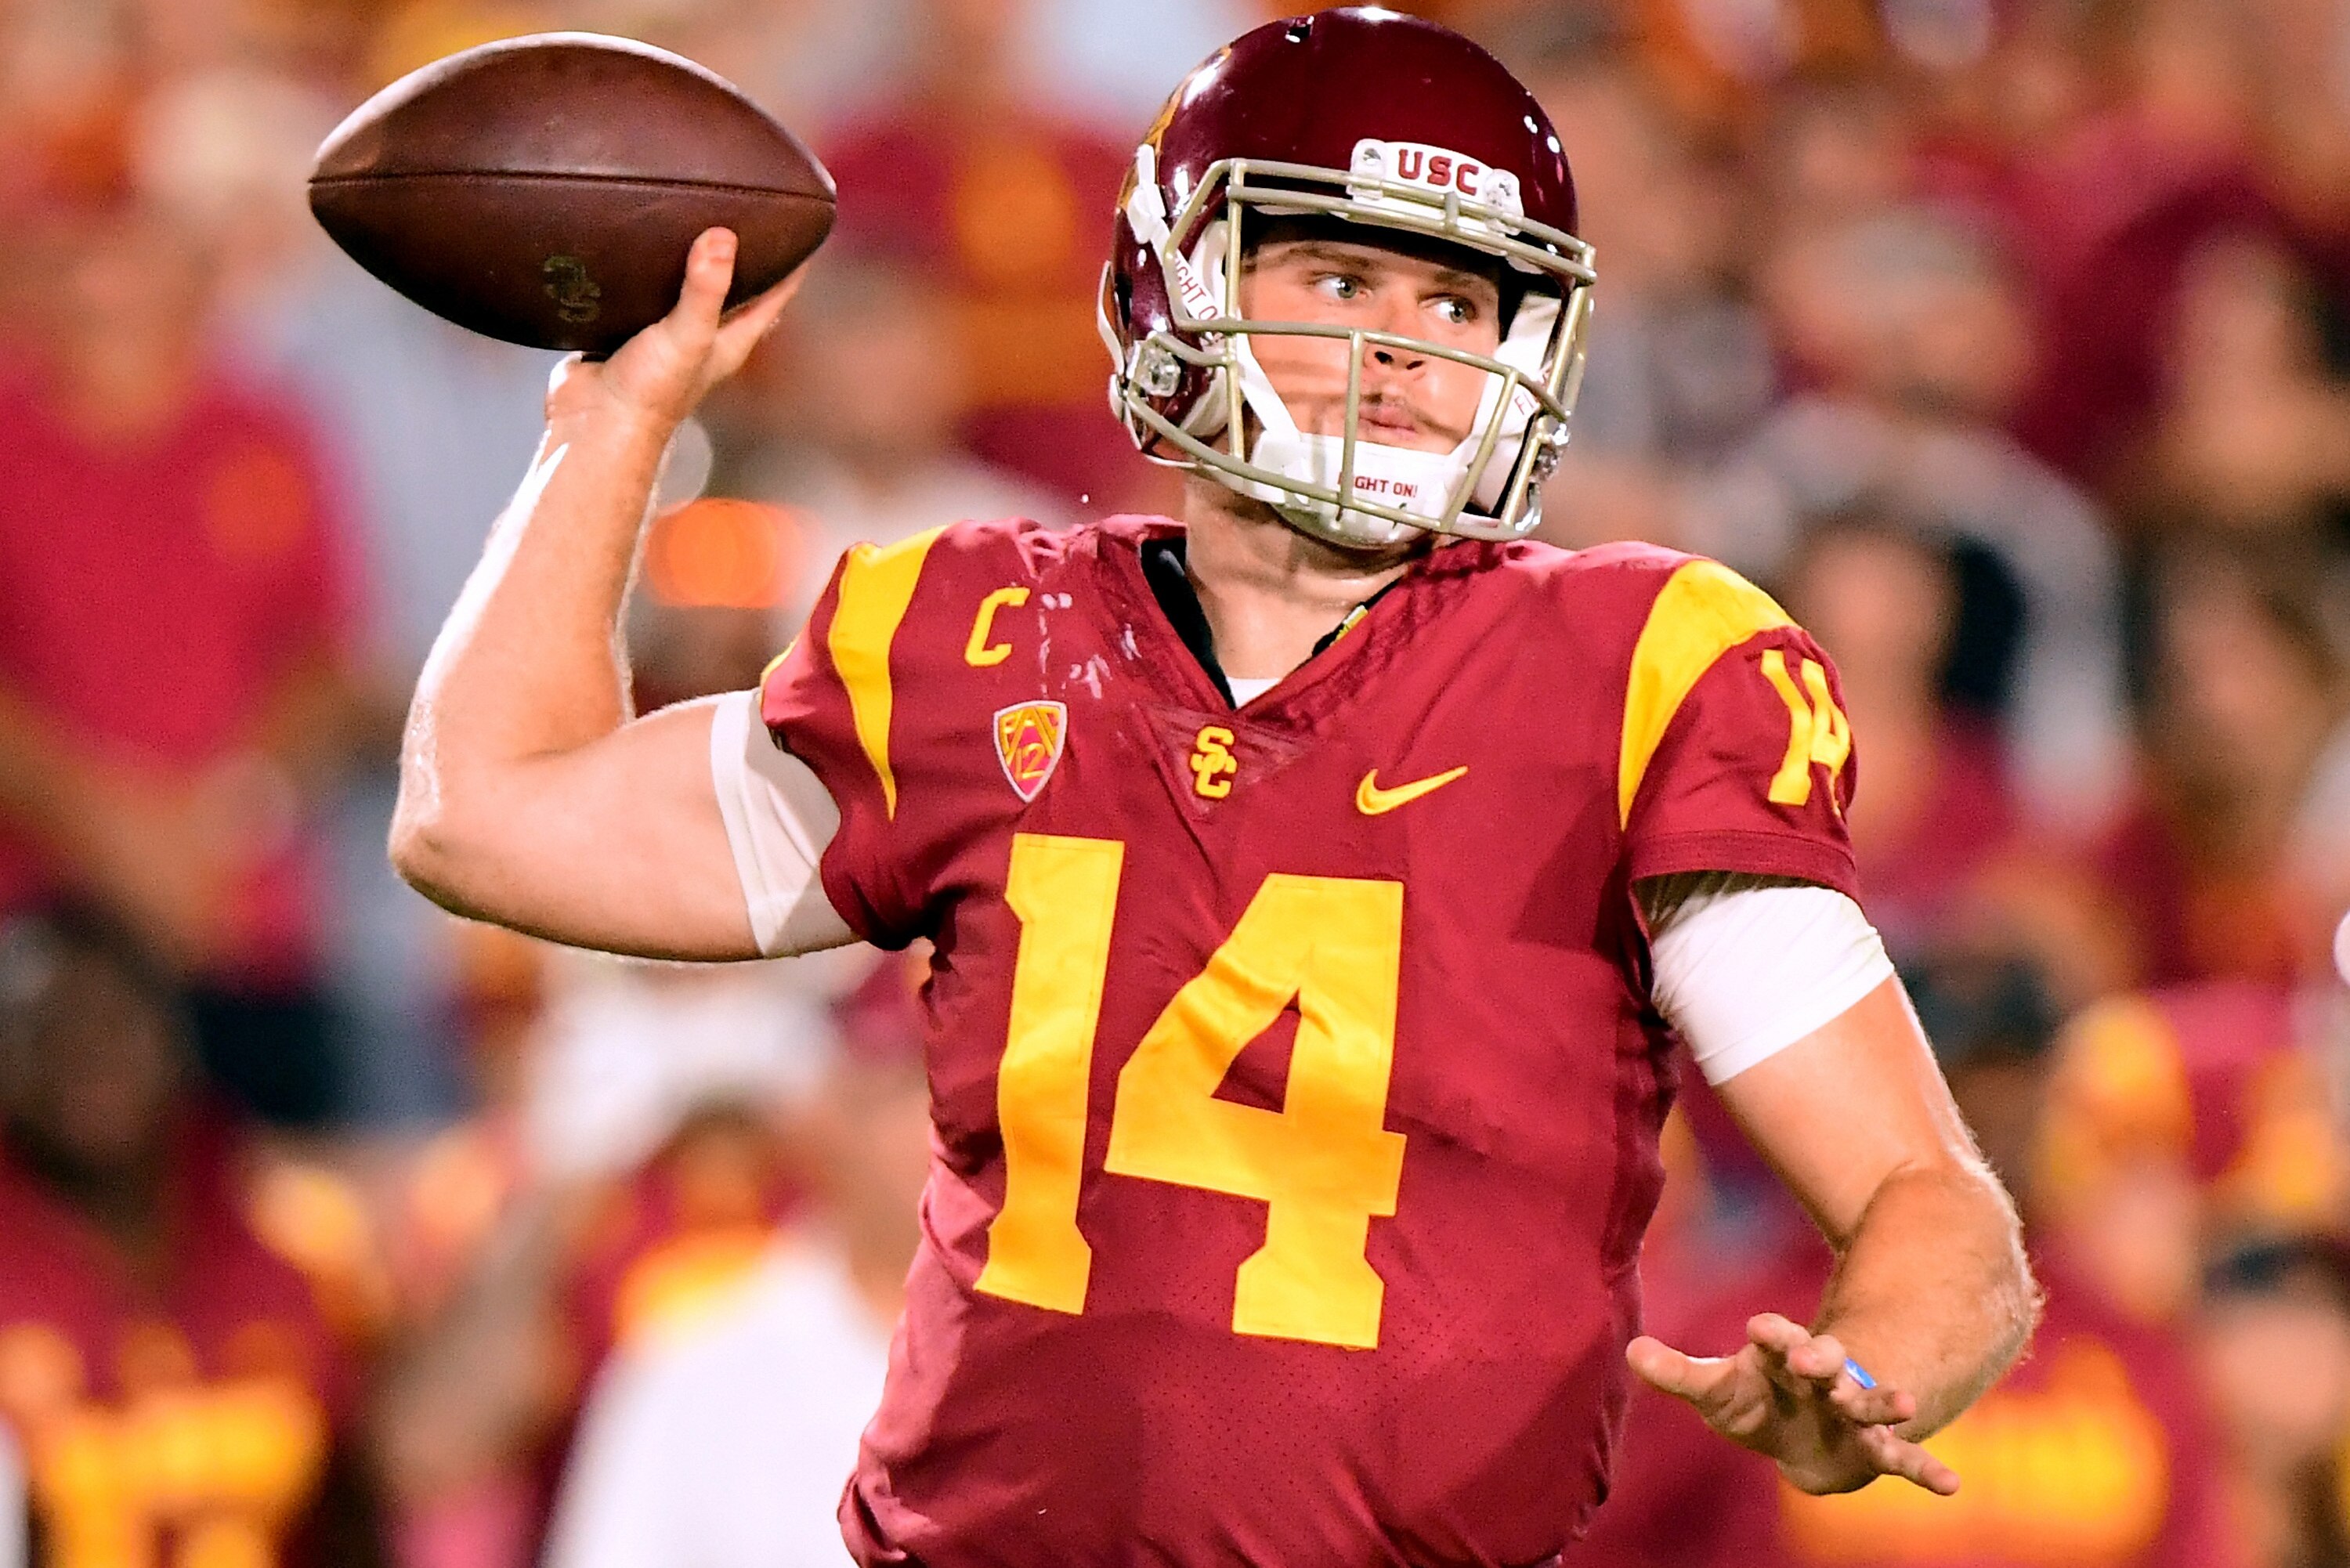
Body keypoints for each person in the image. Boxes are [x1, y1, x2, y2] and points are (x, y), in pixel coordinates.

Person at [385, 10, 2037, 1563]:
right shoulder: (974, 635)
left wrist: (1870, 1373)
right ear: (1181, 288)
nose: (1403, 352)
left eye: (1459, 306)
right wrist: (613, 417)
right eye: (1340, 279)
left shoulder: (1646, 669)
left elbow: (1926, 1197)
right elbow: (489, 814)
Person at [1565, 949, 2246, 1568]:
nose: (1988, 1113)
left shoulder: (2129, 1343)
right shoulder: (1743, 1337)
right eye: (1951, 1080)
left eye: (2016, 1080)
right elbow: (1607, 1544)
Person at [0, 905, 382, 1566]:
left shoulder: (299, 1238)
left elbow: (368, 1497)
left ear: (176, 1033)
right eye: (47, 1031)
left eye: (113, 1022)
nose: (88, 1056)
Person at [542, 954, 932, 1568]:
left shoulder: (1075, 1352)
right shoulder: (699, 1362)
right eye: (916, 1086)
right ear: (827, 1115)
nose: (961, 1124)